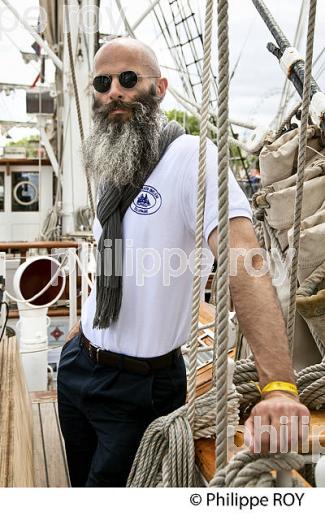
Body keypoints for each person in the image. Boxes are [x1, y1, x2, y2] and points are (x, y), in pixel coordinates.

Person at [57, 37, 310, 487]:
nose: (114, 90)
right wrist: (82, 328)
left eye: (129, 79)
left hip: (139, 388)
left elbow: (245, 264)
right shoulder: (112, 163)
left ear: (161, 88)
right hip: (79, 365)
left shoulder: (192, 159)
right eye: (102, 81)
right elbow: (115, 259)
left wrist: (279, 386)